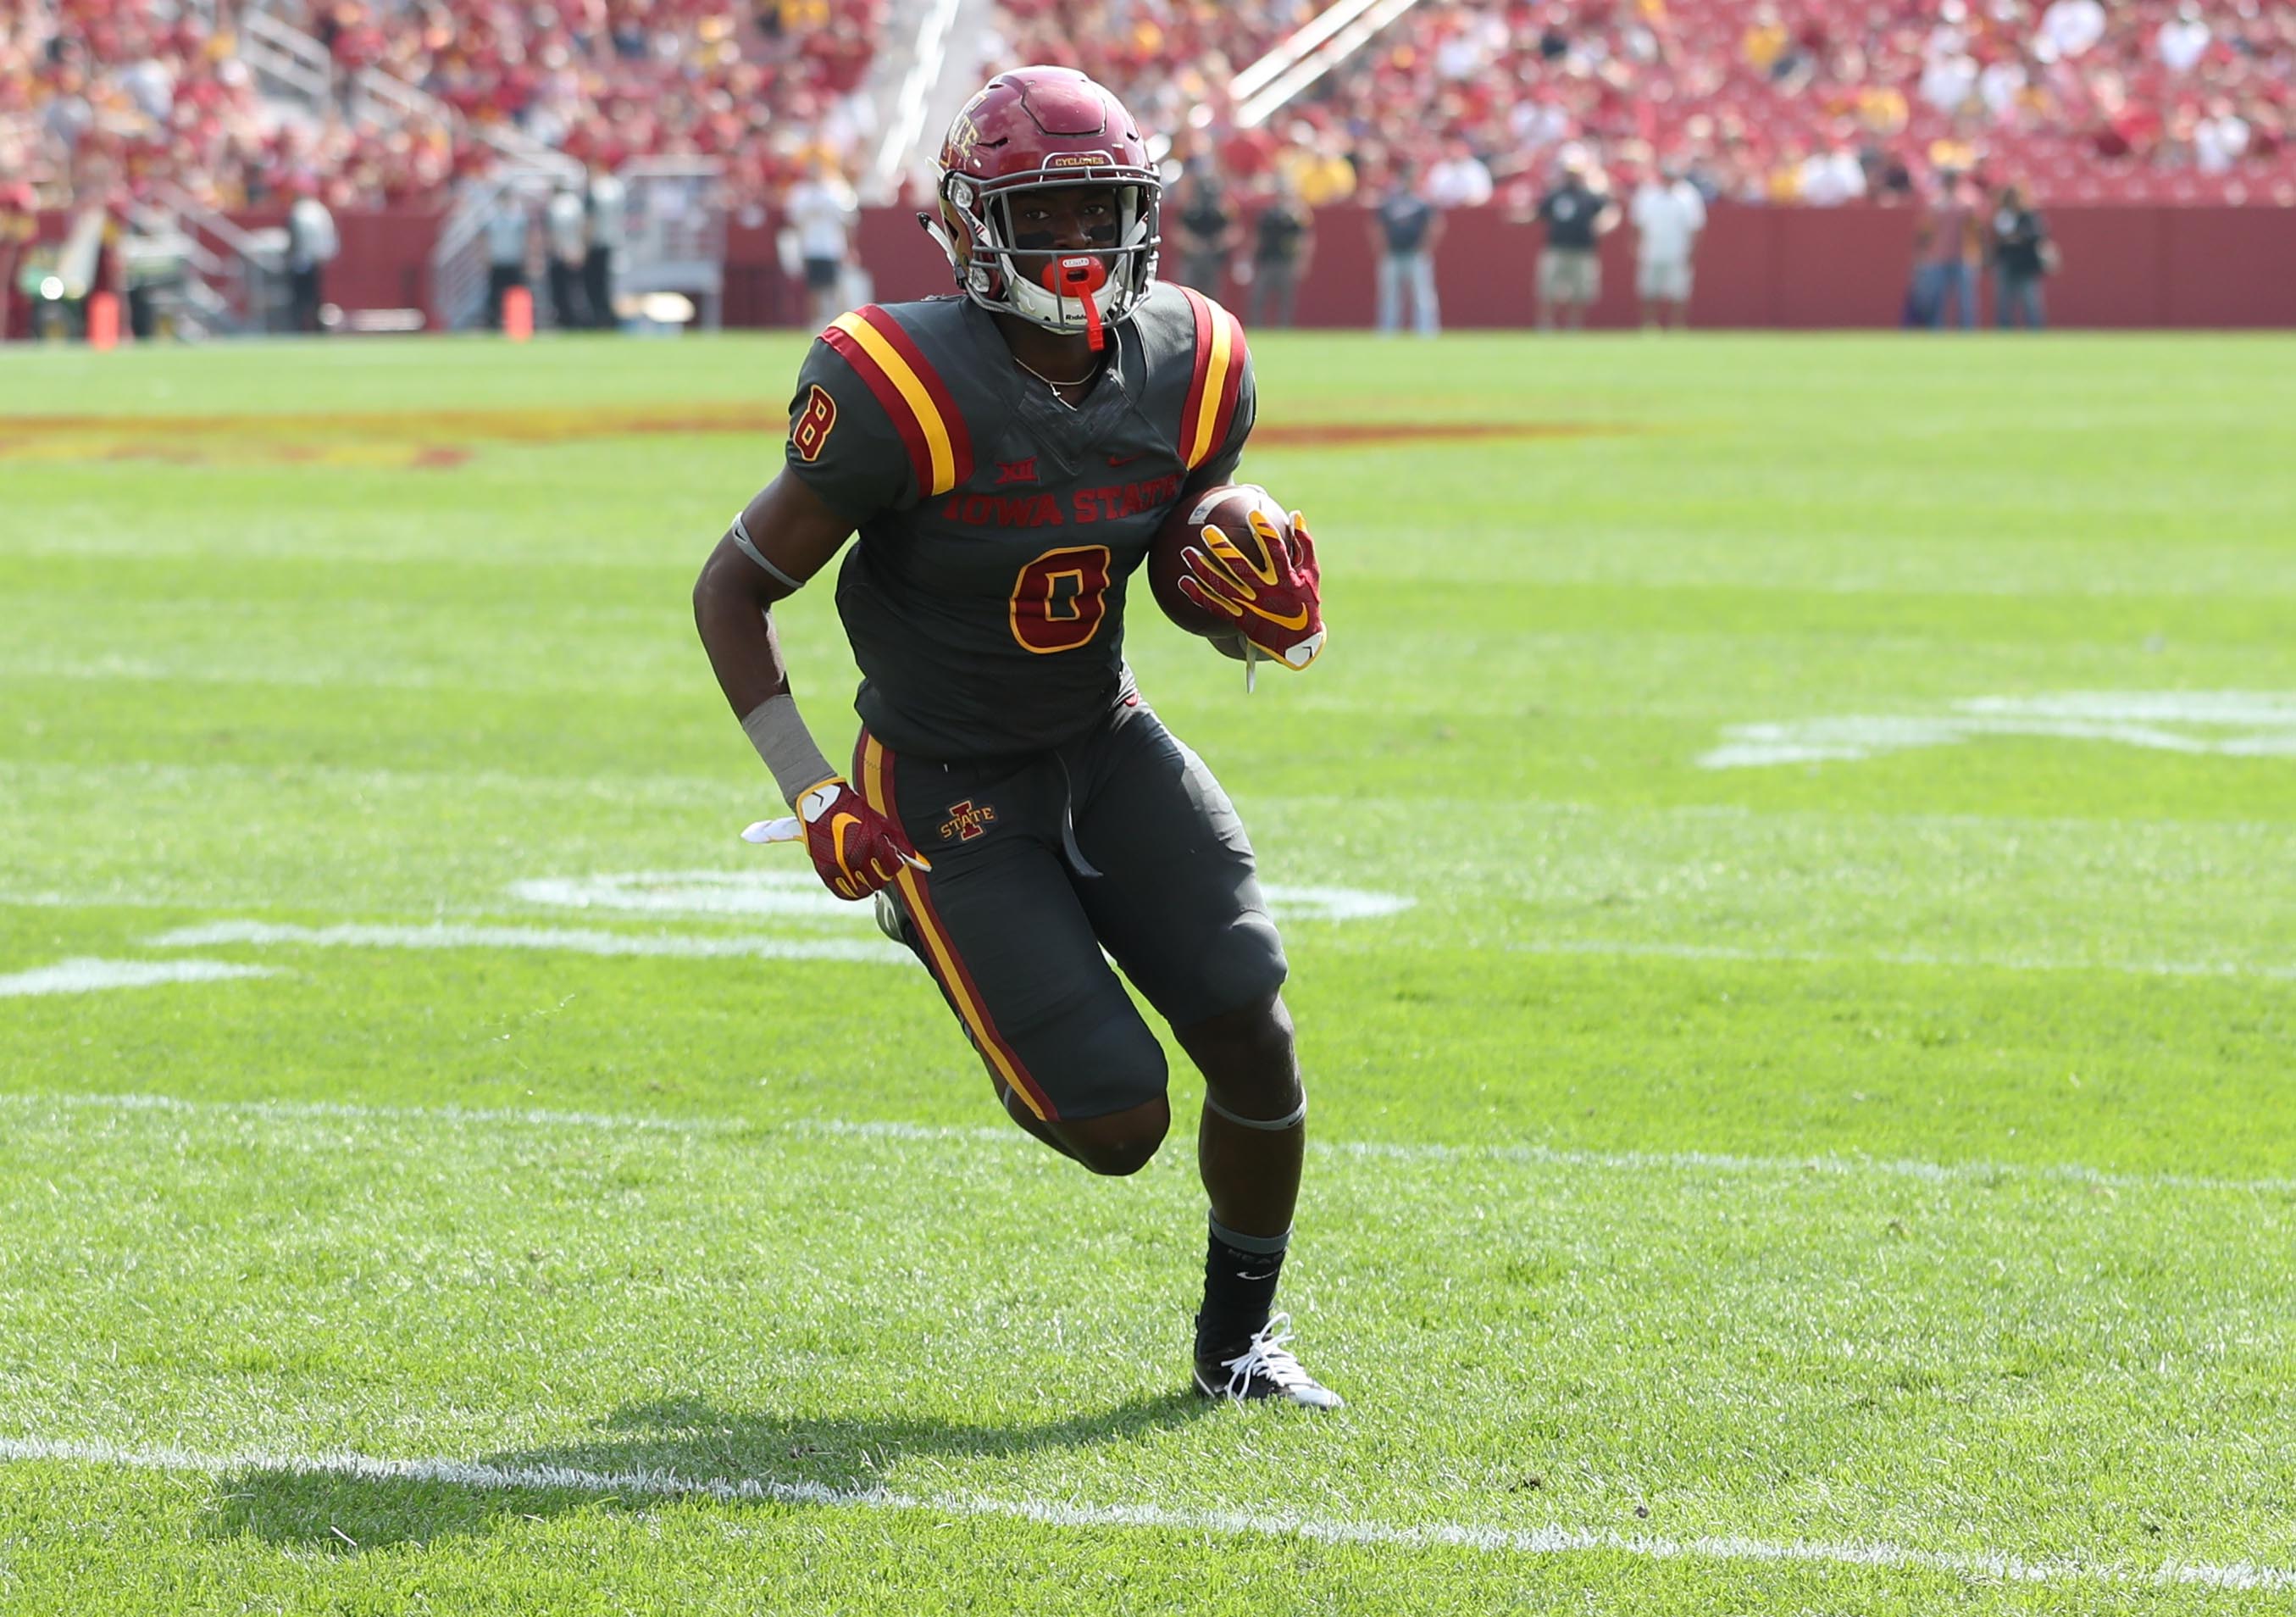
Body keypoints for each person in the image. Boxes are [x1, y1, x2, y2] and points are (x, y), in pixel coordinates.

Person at [690, 67, 1339, 1409]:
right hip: (938, 776)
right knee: (1116, 1124)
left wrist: (1236, 606)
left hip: (1100, 734)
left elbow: (1167, 556)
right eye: (1047, 217)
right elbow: (733, 590)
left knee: (1254, 1033)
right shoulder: (894, 381)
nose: (1081, 246)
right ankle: (916, 916)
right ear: (970, 230)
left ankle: (1238, 1347)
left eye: (1103, 209)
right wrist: (812, 791)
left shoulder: (1196, 356)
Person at [1532, 147, 1616, 331]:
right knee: (1549, 290)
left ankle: (1573, 326)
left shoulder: (1589, 196)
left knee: (1581, 292)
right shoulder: (1555, 194)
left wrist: (1603, 224)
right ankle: (1546, 325)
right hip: (1557, 248)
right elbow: (1539, 213)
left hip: (1583, 249)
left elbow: (1610, 211)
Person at [1629, 160, 1705, 331]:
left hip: (1678, 252)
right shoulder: (1648, 194)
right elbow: (1638, 223)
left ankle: (1676, 326)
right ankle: (1649, 325)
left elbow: (1696, 227)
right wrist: (1636, 244)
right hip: (1651, 250)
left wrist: (1692, 251)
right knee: (1649, 290)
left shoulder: (1688, 196)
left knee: (1679, 292)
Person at [785, 157, 858, 329]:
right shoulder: (800, 194)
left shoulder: (835, 193)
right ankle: (816, 322)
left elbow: (847, 221)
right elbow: (794, 222)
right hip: (811, 247)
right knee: (814, 288)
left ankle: (834, 321)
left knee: (833, 287)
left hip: (831, 247)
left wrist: (849, 247)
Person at [1370, 161, 1440, 337]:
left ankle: (1426, 331)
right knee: (1390, 296)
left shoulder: (1422, 203)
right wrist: (1382, 247)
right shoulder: (1390, 202)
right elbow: (1377, 225)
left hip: (1415, 253)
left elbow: (1434, 226)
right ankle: (1388, 330)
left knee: (1422, 296)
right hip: (1393, 253)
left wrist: (1425, 247)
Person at [1911, 169, 1983, 329]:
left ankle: (1968, 332)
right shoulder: (1936, 202)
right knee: (1937, 298)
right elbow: (1925, 232)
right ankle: (1936, 330)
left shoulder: (1967, 201)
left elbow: (1976, 229)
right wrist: (1922, 254)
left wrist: (1976, 253)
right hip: (1938, 257)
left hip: (1963, 256)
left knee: (1966, 300)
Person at [1246, 175, 1313, 329]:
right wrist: (1250, 259)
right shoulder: (1267, 214)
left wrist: (1302, 261)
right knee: (1259, 297)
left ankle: (1284, 328)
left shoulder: (1297, 217)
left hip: (1286, 261)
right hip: (1267, 260)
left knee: (1286, 300)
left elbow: (1304, 240)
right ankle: (1257, 327)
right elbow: (1257, 237)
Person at [1168, 165, 1240, 296]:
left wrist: (1217, 243)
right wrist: (1193, 244)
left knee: (1212, 295)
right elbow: (1177, 232)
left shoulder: (1222, 211)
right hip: (1192, 257)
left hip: (1213, 258)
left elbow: (1234, 232)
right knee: (1186, 293)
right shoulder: (1190, 210)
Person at [1988, 182, 2050, 330]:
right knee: (2004, 302)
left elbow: (2037, 234)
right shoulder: (2002, 215)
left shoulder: (2029, 215)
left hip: (2025, 264)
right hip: (2007, 262)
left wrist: (2018, 237)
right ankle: (2004, 330)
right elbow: (1996, 239)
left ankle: (2035, 331)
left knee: (2030, 301)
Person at [286, 183, 339, 335]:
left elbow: (295, 238)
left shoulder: (300, 212)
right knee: (315, 296)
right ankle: (317, 327)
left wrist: (291, 257)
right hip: (317, 259)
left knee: (299, 297)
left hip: (301, 260)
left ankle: (299, 327)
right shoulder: (319, 210)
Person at [583, 161, 626, 330]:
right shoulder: (615, 189)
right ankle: (607, 319)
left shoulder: (595, 192)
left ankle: (599, 319)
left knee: (595, 285)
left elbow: (590, 222)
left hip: (597, 244)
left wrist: (585, 245)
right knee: (607, 284)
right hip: (613, 242)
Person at [484, 188, 530, 330]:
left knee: (517, 293)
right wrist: (486, 256)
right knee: (494, 295)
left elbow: (526, 239)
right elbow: (484, 239)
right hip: (498, 260)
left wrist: (527, 257)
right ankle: (494, 322)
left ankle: (519, 322)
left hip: (514, 260)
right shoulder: (491, 218)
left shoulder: (517, 217)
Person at [545, 185, 591, 329]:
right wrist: (582, 248)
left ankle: (568, 319)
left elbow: (553, 232)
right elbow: (582, 227)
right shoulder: (575, 203)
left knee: (565, 290)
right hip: (575, 250)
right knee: (577, 289)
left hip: (563, 251)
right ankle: (579, 319)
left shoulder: (556, 205)